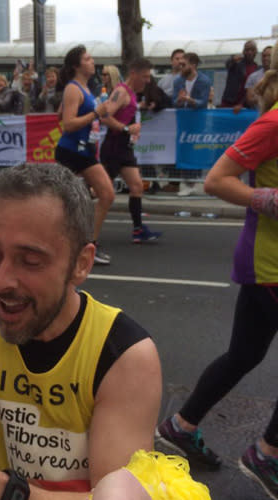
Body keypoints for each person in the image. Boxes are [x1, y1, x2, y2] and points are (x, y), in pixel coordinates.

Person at [0, 163, 162, 498]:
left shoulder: (124, 355)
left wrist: (5, 491)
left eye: (30, 262)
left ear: (81, 264)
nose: (1, 281)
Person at [156, 61, 278, 500]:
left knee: (243, 354)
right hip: (271, 262)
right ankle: (268, 454)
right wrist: (267, 198)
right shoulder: (274, 122)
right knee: (243, 353)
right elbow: (216, 180)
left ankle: (181, 426)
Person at [54, 45, 114, 265]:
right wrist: (95, 113)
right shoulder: (73, 88)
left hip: (85, 150)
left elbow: (65, 113)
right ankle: (84, 245)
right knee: (102, 195)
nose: (92, 61)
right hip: (71, 151)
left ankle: (83, 244)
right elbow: (68, 124)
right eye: (87, 59)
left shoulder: (86, 88)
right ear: (77, 66)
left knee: (95, 196)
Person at [100, 58, 162, 244]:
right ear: (133, 74)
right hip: (113, 147)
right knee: (100, 192)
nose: (148, 81)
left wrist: (132, 130)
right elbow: (104, 115)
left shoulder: (133, 94)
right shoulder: (121, 91)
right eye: (145, 76)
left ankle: (138, 230)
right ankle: (82, 230)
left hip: (124, 148)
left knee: (136, 187)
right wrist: (126, 129)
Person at [172, 52, 211, 197]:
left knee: (196, 149)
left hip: (199, 120)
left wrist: (190, 100)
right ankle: (187, 183)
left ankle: (193, 183)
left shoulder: (204, 80)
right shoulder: (178, 81)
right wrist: (180, 100)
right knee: (184, 150)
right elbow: (174, 102)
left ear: (193, 65)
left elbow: (203, 101)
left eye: (184, 64)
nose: (180, 67)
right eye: (180, 64)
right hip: (183, 120)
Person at [220, 40, 258, 111]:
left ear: (256, 52)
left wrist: (242, 104)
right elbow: (228, 64)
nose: (249, 52)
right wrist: (232, 59)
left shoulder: (256, 68)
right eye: (247, 50)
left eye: (252, 50)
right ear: (243, 51)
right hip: (229, 103)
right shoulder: (237, 63)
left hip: (244, 106)